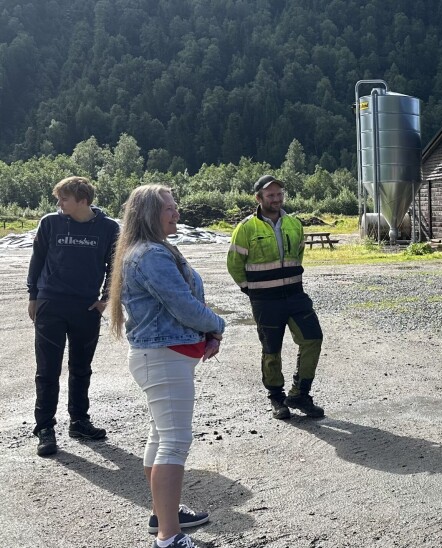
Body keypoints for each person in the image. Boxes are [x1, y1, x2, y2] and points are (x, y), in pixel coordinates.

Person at [108, 185, 225, 548]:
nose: (176, 214)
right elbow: (184, 306)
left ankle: (164, 514)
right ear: (147, 213)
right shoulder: (151, 256)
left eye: (176, 207)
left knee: (160, 437)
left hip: (160, 356)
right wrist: (217, 325)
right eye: (169, 209)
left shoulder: (148, 250)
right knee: (174, 441)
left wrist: (207, 332)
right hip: (163, 357)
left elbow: (182, 306)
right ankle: (169, 537)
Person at [27, 176, 120, 457]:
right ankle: (45, 429)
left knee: (81, 368)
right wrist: (34, 296)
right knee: (47, 371)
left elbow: (115, 266)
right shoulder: (50, 223)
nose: (58, 204)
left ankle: (79, 422)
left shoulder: (108, 228)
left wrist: (106, 299)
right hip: (51, 305)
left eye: (63, 198)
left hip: (86, 309)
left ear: (82, 200)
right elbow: (37, 260)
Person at [227, 175, 325, 420]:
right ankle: (277, 398)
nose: (276, 199)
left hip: (295, 295)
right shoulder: (246, 228)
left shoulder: (294, 224)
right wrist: (249, 290)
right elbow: (234, 264)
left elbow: (299, 256)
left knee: (313, 338)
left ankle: (300, 394)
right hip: (265, 301)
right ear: (259, 198)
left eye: (279, 194)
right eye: (270, 195)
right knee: (272, 349)